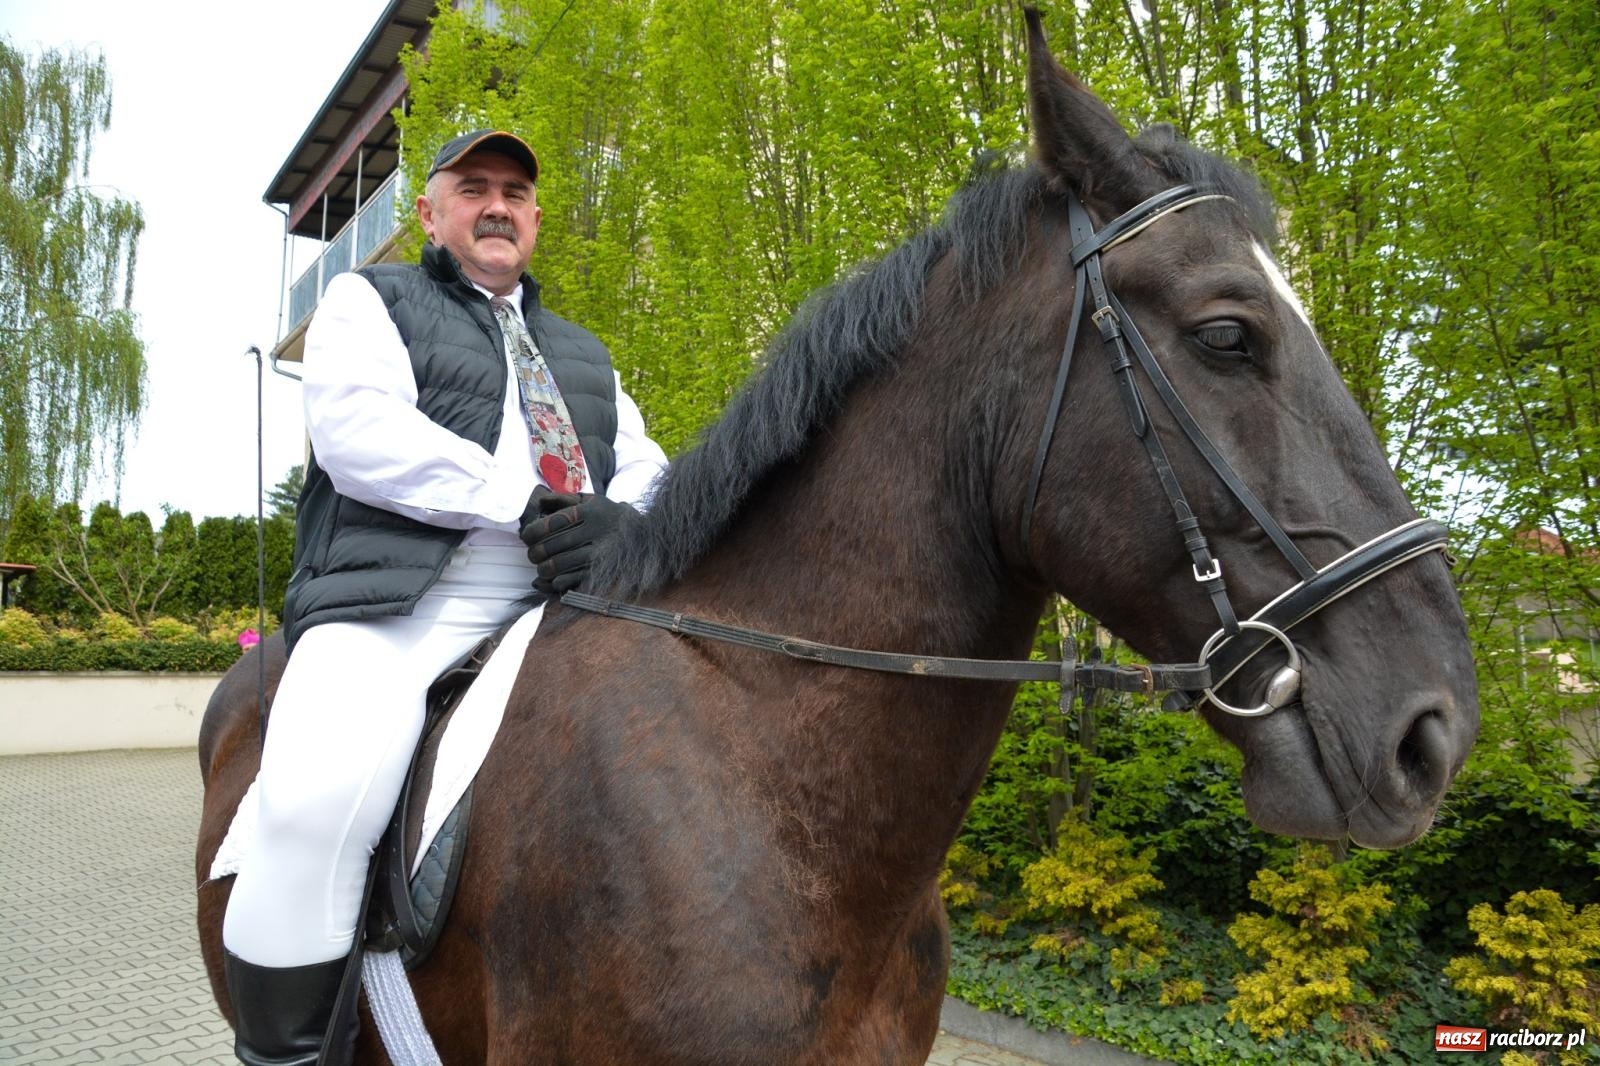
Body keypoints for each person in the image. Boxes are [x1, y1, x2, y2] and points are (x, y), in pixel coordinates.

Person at [220, 130, 668, 1066]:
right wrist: (529, 502)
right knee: (313, 804)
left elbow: (644, 462)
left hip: (565, 602)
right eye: (474, 188)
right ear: (429, 213)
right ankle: (288, 1054)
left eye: (516, 192)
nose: (497, 205)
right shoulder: (368, 300)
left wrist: (623, 523)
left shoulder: (586, 353)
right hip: (403, 605)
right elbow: (357, 432)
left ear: (535, 220)